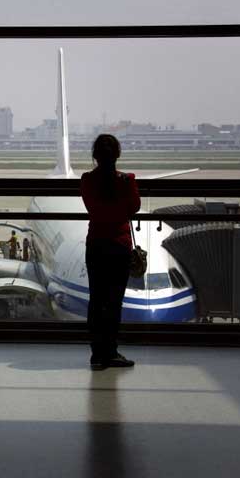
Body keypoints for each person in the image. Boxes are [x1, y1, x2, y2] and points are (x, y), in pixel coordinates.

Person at [80, 134, 140, 371]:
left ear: (95, 156)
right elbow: (134, 207)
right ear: (117, 155)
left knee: (96, 300)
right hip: (119, 246)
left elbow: (90, 206)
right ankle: (111, 352)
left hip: (96, 244)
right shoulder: (126, 181)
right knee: (114, 302)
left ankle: (96, 354)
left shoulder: (87, 180)